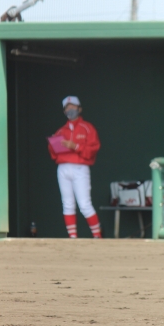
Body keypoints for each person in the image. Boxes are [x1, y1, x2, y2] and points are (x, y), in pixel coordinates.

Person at [48, 96, 102, 239]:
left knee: (84, 204)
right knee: (67, 204)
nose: (70, 110)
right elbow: (53, 154)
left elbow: (93, 149)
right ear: (64, 111)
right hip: (63, 168)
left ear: (79, 109)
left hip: (80, 168)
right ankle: (72, 238)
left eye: (73, 107)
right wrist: (54, 143)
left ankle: (97, 236)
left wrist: (75, 146)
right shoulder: (60, 131)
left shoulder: (88, 128)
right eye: (67, 108)